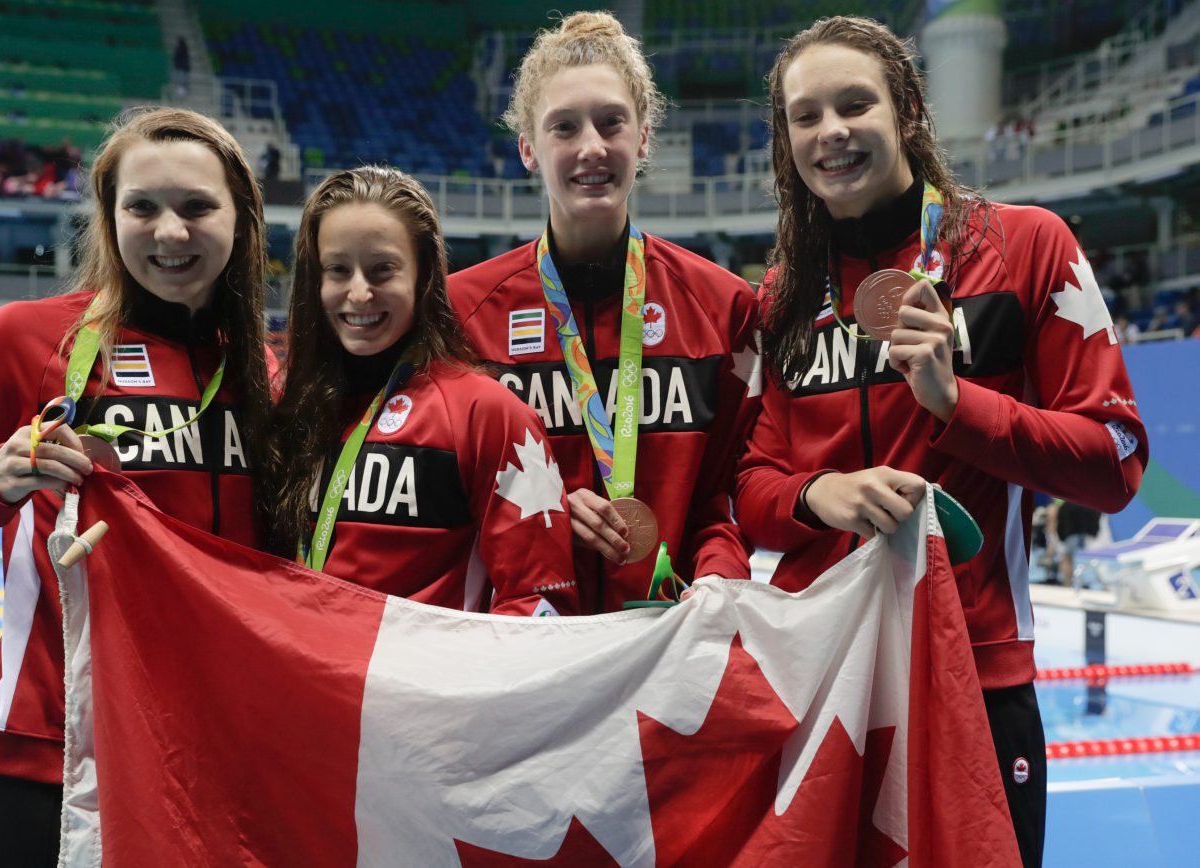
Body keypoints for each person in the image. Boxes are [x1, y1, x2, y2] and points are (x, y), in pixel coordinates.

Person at [736, 17, 1148, 868]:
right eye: (805, 117)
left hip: (978, 675)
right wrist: (816, 496)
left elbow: (1116, 460)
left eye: (856, 104)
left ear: (909, 113)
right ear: (787, 143)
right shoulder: (780, 295)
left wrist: (959, 406)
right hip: (827, 681)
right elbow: (752, 489)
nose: (832, 132)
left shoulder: (1028, 247)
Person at [0, 107, 273, 866]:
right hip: (42, 754)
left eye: (197, 207)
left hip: (205, 756)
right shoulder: (24, 339)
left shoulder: (268, 376)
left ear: (240, 219)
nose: (170, 233)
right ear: (109, 215)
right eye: (143, 207)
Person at [449, 11, 760, 613]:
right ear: (528, 149)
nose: (591, 146)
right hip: (524, 649)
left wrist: (721, 582)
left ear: (642, 137)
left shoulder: (723, 307)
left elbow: (730, 492)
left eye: (611, 123)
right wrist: (542, 507)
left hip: (668, 642)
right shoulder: (464, 313)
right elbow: (449, 497)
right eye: (564, 127)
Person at [267, 166, 577, 616]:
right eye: (338, 270)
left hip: (427, 685)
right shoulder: (288, 404)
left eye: (382, 270)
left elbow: (542, 601)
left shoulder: (488, 414)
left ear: (424, 274)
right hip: (307, 680)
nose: (359, 293)